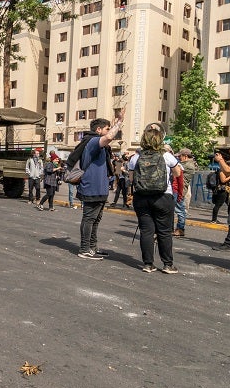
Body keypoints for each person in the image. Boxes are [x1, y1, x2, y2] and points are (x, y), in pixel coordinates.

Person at [128, 123, 182, 273]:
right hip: (163, 197)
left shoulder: (135, 157)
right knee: (164, 231)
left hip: (142, 197)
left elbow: (131, 179)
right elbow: (178, 173)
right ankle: (168, 264)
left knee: (146, 231)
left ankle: (148, 264)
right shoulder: (166, 156)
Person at [77, 115, 123, 259]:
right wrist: (119, 123)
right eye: (107, 128)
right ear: (98, 130)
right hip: (92, 187)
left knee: (95, 220)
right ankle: (84, 249)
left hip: (100, 188)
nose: (110, 131)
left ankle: (92, 247)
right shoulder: (92, 141)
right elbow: (109, 137)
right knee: (89, 218)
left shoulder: (100, 145)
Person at [174, 147, 197, 236]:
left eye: (180, 156)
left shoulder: (188, 165)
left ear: (185, 156)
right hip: (178, 189)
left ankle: (180, 228)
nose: (179, 158)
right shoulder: (185, 164)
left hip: (180, 190)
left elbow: (175, 169)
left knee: (180, 210)